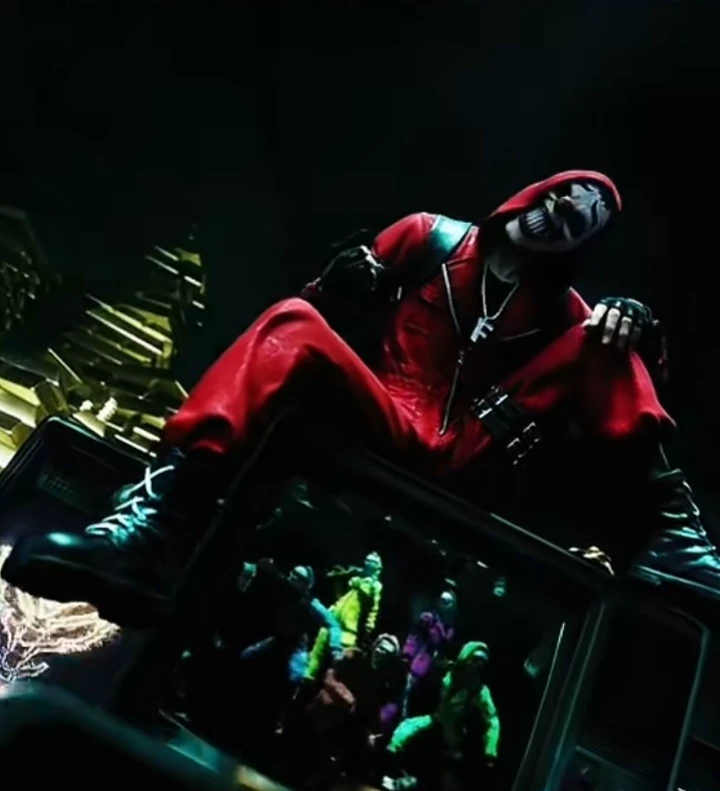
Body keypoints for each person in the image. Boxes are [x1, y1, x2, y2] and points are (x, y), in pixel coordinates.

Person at [5, 169, 718, 628]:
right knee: (292, 321)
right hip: (385, 416)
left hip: (478, 451)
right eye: (562, 200)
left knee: (607, 331)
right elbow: (301, 328)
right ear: (535, 194)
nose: (563, 217)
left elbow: (624, 380)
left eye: (581, 221)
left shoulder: (569, 315)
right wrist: (341, 285)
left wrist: (638, 327)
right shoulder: (430, 237)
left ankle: (674, 533)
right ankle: (157, 522)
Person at [383, 641, 499, 791]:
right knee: (405, 732)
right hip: (435, 721)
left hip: (452, 737)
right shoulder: (447, 672)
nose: (477, 665)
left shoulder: (479, 691)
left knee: (444, 775)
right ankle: (391, 768)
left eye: (481, 663)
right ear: (465, 657)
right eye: (475, 660)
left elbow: (492, 720)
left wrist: (490, 750)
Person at [305, 551, 383, 681]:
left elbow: (373, 608)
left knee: (336, 661)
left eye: (371, 563)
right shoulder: (357, 577)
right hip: (334, 617)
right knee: (317, 652)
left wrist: (369, 625)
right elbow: (344, 595)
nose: (367, 564)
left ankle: (328, 684)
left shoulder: (375, 585)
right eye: (367, 562)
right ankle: (306, 678)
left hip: (349, 626)